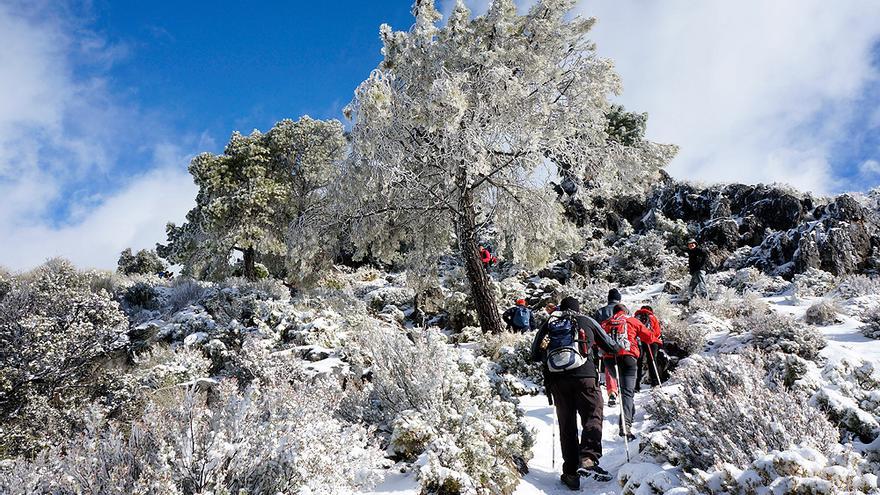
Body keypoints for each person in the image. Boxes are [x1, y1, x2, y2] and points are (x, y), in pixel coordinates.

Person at [531, 296, 621, 490]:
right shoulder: (586, 320)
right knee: (592, 414)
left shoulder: (550, 323)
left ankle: (570, 473)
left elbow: (534, 353)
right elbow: (611, 346)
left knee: (567, 425)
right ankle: (588, 457)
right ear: (578, 309)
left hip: (557, 381)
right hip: (585, 377)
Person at [601, 303, 654, 440]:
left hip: (610, 360)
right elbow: (648, 337)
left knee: (624, 389)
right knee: (627, 393)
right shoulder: (631, 320)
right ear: (625, 311)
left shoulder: (605, 323)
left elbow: (596, 342)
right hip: (627, 357)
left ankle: (629, 411)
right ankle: (625, 427)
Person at [593, 288, 622, 404]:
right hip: (621, 343)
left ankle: (612, 392)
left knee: (609, 367)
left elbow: (596, 328)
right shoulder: (624, 310)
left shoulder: (600, 311)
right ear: (619, 299)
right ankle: (624, 390)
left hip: (606, 343)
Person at [633, 306, 664, 392]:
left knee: (638, 362)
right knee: (652, 361)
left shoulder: (636, 317)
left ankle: (636, 385)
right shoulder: (652, 317)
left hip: (639, 341)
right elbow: (657, 332)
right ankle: (655, 383)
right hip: (651, 341)